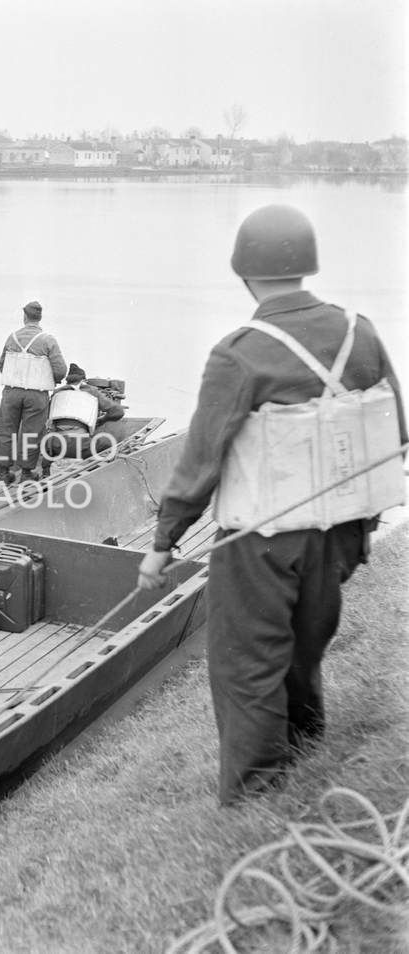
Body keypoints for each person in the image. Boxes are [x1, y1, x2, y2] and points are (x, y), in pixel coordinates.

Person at [137, 204, 407, 807]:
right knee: (307, 637)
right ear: (308, 264)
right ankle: (305, 740)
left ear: (243, 273)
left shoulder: (240, 353)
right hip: (342, 532)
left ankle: (255, 793)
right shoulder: (361, 330)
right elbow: (397, 426)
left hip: (261, 539)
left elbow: (201, 460)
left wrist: (162, 543)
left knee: (247, 660)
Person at [0, 301, 67, 483]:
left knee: (6, 430)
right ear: (39, 317)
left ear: (24, 317)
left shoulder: (12, 338)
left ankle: (4, 473)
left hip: (11, 392)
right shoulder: (48, 340)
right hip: (36, 395)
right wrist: (51, 378)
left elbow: (1, 365)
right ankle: (26, 473)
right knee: (31, 433)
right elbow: (61, 370)